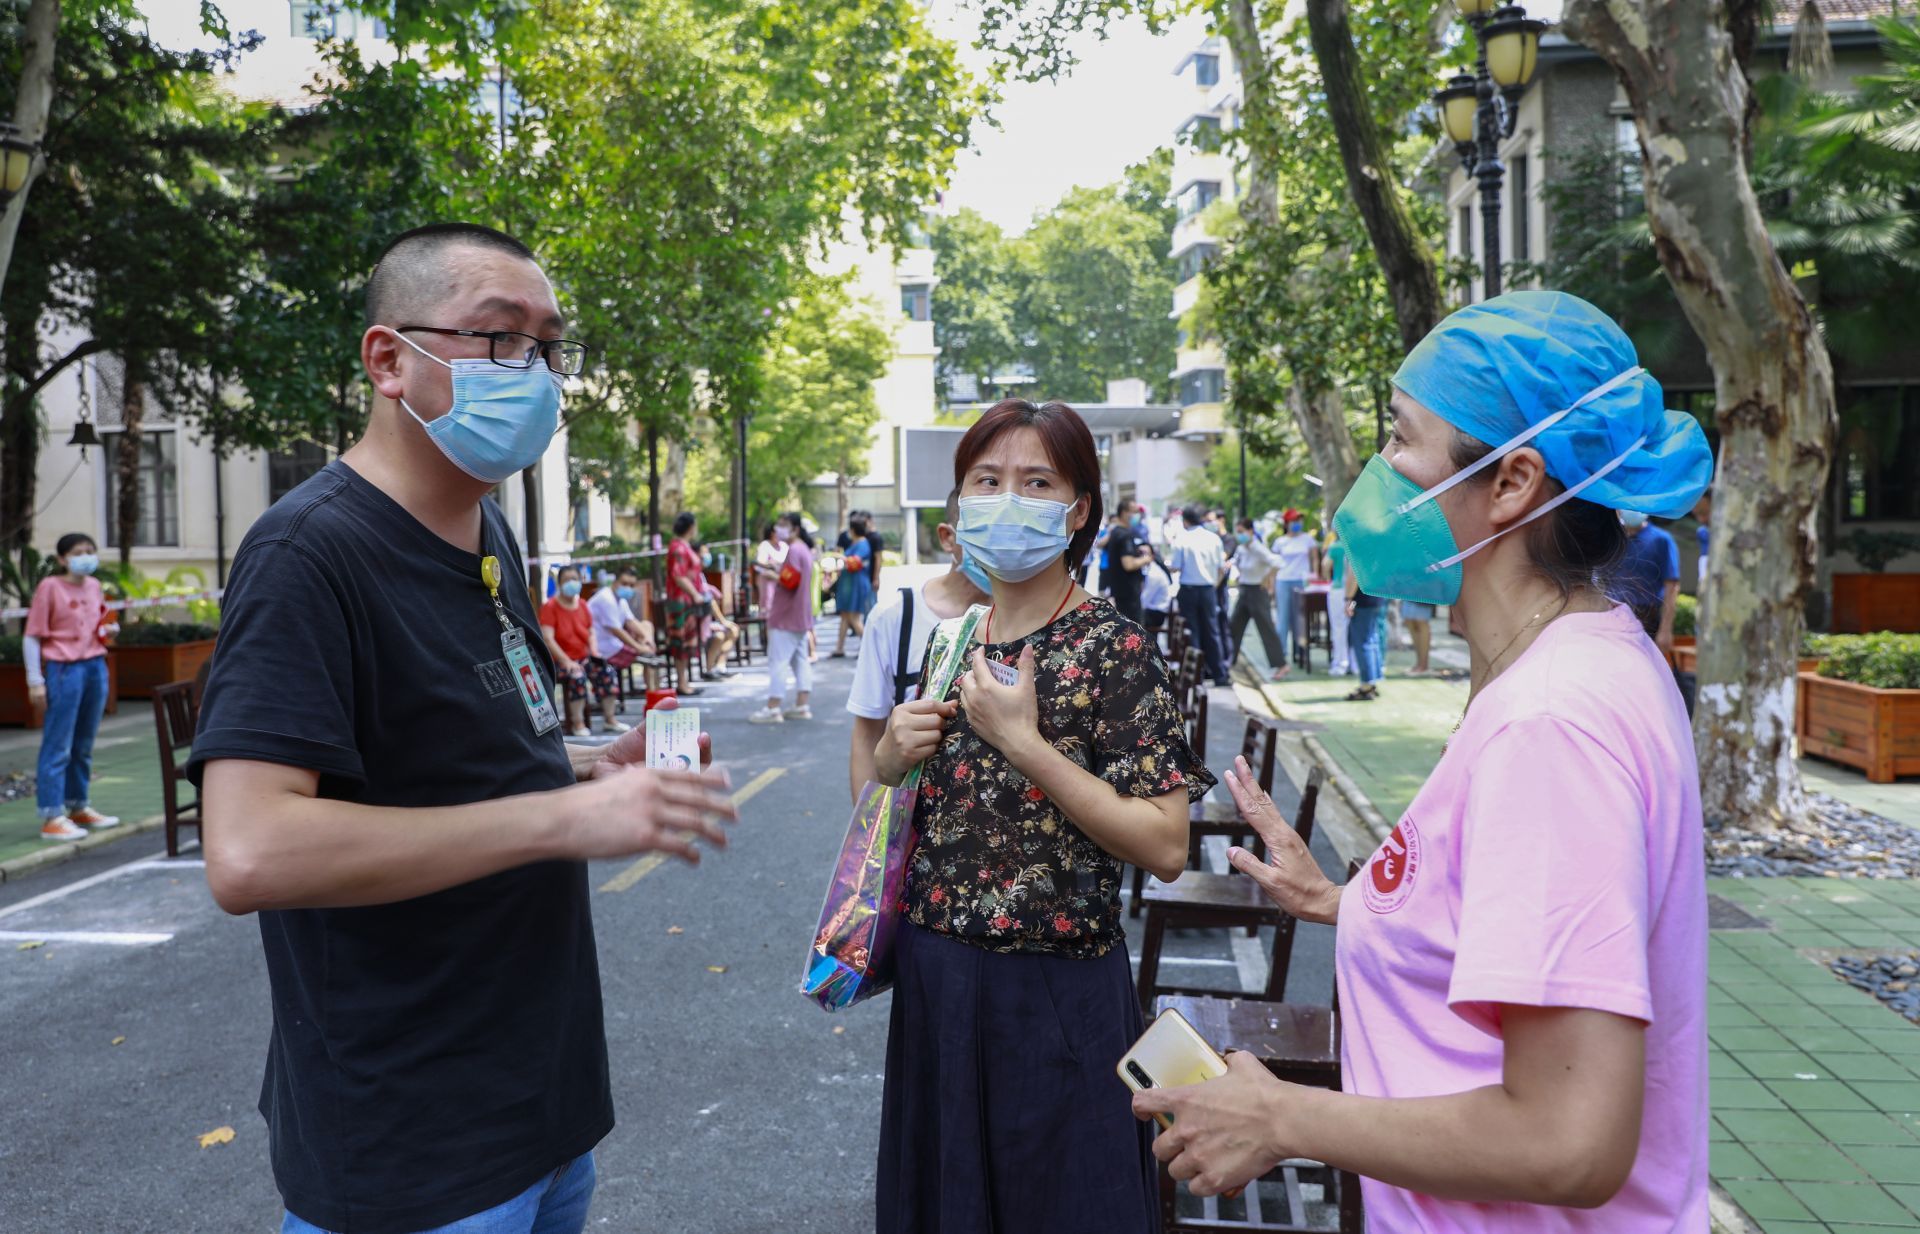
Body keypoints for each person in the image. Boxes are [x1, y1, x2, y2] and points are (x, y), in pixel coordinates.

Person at [187, 223, 739, 1234]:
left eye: (547, 344)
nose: (530, 369)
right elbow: (251, 849)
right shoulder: (307, 554)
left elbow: (457, 754)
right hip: (410, 1148)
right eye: (498, 337)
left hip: (541, 1107)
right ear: (389, 359)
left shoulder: (489, 528)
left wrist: (584, 768)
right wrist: (566, 822)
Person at [1136, 290, 1713, 1232]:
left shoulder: (1551, 724)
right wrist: (1350, 905)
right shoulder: (1576, 655)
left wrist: (1280, 1116)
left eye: (1403, 441)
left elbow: (1571, 1140)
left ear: (1513, 482)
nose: (1379, 474)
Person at [870, 398, 1213, 1234]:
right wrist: (888, 760)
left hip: (1055, 996)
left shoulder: (1115, 648)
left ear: (1078, 509)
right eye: (987, 481)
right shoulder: (951, 641)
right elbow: (910, 810)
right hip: (937, 984)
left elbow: (1166, 846)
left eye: (1036, 482)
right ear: (959, 503)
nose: (1007, 499)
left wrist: (1027, 747)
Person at [845, 487, 991, 796]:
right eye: (983, 530)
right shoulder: (894, 617)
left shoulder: (1029, 619)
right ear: (948, 537)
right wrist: (869, 836)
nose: (998, 546)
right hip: (916, 828)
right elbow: (867, 735)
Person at [25, 533, 120, 841]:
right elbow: (32, 635)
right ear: (63, 559)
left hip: (95, 666)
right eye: (79, 552)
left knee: (84, 742)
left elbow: (97, 623)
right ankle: (51, 814)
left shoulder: (93, 587)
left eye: (91, 551)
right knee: (58, 743)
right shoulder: (49, 588)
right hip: (64, 669)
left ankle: (78, 805)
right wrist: (35, 680)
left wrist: (109, 629)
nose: (87, 557)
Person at [749, 511, 817, 725]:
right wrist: (779, 570)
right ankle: (802, 704)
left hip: (786, 616)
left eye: (783, 525)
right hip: (800, 616)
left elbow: (790, 581)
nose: (778, 528)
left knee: (777, 662)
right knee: (800, 661)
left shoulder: (794, 550)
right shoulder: (803, 549)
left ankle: (773, 707)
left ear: (795, 529)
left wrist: (773, 575)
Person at [539, 565, 617, 737]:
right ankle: (578, 723)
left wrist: (595, 652)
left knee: (607, 671)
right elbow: (548, 638)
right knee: (577, 677)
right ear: (559, 584)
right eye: (567, 580)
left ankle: (610, 719)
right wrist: (566, 660)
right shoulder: (550, 607)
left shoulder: (582, 605)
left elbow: (591, 632)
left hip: (583, 657)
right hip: (559, 661)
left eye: (574, 579)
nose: (572, 583)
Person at [1171, 504, 1230, 686]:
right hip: (1208, 589)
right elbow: (1221, 568)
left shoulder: (1181, 539)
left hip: (1188, 589)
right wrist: (1214, 584)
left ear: (1185, 521)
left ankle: (1196, 675)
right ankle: (1219, 674)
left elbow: (1176, 566)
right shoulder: (1213, 539)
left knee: (1193, 632)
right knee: (1212, 631)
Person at [1614, 509, 1681, 656]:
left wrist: (1665, 629)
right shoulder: (1612, 539)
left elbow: (1672, 586)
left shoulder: (1661, 540)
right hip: (1613, 619)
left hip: (1648, 621)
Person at [587, 567, 657, 703]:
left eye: (631, 585)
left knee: (647, 626)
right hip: (603, 647)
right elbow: (617, 631)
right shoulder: (605, 599)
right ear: (615, 581)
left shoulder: (620, 600)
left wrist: (647, 639)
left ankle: (653, 692)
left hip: (614, 642)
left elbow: (631, 622)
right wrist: (639, 647)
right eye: (624, 584)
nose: (628, 588)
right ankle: (652, 694)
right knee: (649, 658)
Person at [1228, 517, 1286, 679]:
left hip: (1258, 592)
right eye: (1237, 532)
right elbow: (1238, 565)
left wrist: (1267, 578)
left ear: (1250, 531)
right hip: (1245, 590)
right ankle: (1229, 661)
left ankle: (1281, 664)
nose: (1239, 535)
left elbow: (1278, 562)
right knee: (1234, 626)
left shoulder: (1258, 548)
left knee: (1266, 628)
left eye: (1242, 532)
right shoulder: (1241, 549)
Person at [663, 512, 708, 695]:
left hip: (686, 600)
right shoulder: (679, 548)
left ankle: (684, 681)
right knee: (680, 643)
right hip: (680, 602)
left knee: (686, 643)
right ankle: (681, 683)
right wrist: (695, 594)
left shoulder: (683, 546)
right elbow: (678, 575)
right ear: (691, 527)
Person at [1271, 513, 1317, 669]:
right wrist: (1271, 585)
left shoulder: (1308, 539)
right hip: (1283, 581)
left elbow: (1314, 559)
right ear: (1287, 523)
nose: (1297, 523)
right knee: (1282, 619)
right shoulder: (1280, 542)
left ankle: (1301, 652)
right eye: (1294, 521)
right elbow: (1274, 564)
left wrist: (1314, 577)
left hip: (1302, 581)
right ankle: (1280, 655)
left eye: (1299, 520)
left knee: (1300, 619)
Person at [832, 513, 877, 657]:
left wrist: (841, 557)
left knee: (853, 617)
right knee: (845, 616)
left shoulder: (863, 544)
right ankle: (839, 648)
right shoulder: (856, 543)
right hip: (849, 584)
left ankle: (869, 649)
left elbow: (855, 562)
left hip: (856, 584)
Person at [1101, 500, 1152, 625]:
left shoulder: (1116, 532)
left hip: (1121, 591)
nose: (1137, 516)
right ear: (1124, 513)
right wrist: (1146, 559)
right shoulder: (1124, 535)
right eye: (1134, 512)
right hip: (1128, 592)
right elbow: (1128, 564)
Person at [1343, 567, 1387, 701]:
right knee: (1372, 640)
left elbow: (1354, 573)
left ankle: (1367, 685)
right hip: (1376, 596)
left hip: (1362, 600)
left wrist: (1348, 599)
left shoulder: (1357, 547)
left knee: (1363, 643)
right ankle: (1372, 681)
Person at [1322, 529, 1352, 676]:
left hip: (1338, 591)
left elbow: (1325, 566)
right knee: (1352, 627)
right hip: (1353, 594)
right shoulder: (1356, 544)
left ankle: (1340, 663)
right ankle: (1354, 663)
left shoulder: (1335, 546)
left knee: (1338, 627)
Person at [1140, 545, 1176, 650]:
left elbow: (1143, 601)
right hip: (1152, 611)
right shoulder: (1150, 570)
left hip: (1156, 614)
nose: (1142, 556)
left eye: (1145, 554)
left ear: (1152, 556)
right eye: (1140, 553)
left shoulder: (1154, 574)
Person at [752, 521, 787, 615]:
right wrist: (772, 564)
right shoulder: (765, 545)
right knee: (767, 606)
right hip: (768, 579)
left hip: (782, 580)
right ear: (772, 533)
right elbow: (760, 561)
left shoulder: (784, 546)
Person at [1401, 600, 1436, 675]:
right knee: (1409, 621)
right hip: (1409, 590)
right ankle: (1419, 663)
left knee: (1421, 621)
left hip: (1423, 591)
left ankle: (1423, 665)